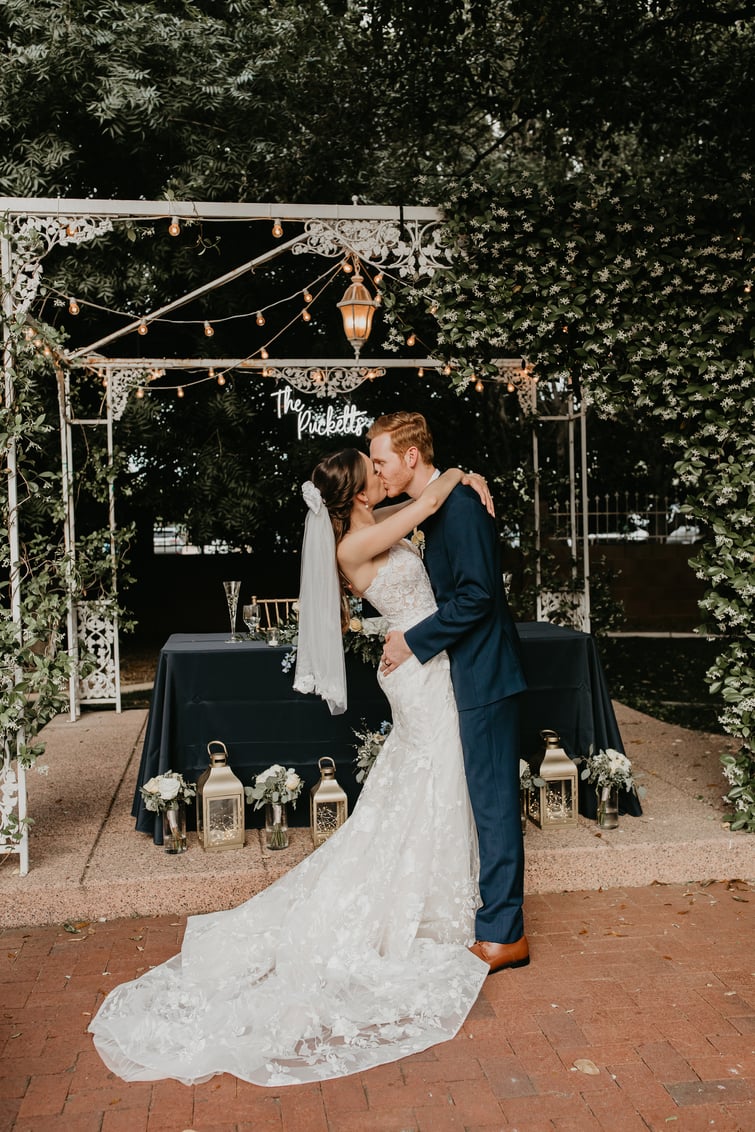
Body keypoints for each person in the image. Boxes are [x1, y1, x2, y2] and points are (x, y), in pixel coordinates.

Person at [88, 449, 493, 1087]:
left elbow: (422, 505)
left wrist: (461, 475)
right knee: (431, 775)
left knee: (426, 781)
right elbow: (428, 503)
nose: (379, 471)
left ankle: (440, 896)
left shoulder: (367, 522)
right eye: (372, 466)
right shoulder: (355, 544)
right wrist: (458, 474)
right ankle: (432, 909)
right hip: (419, 672)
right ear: (360, 489)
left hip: (426, 663)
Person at [368, 411, 528, 974]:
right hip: (468, 672)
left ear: (411, 456)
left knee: (493, 806)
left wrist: (412, 641)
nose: (377, 469)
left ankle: (505, 935)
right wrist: (461, 472)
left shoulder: (458, 508)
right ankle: (498, 923)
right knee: (485, 801)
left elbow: (478, 598)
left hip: (485, 674)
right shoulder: (441, 501)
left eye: (382, 459)